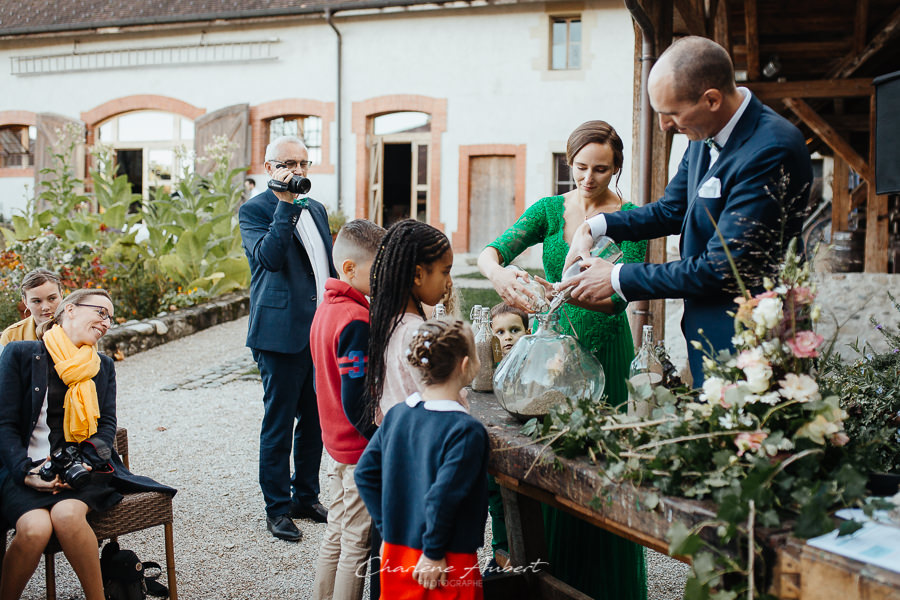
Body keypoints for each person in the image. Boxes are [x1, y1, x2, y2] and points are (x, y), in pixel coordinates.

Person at [564, 36, 813, 384]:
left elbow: (720, 268)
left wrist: (616, 277)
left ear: (711, 99)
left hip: (752, 340)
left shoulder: (771, 149)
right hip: (706, 332)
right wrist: (596, 226)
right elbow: (670, 210)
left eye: (671, 113)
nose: (665, 125)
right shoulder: (702, 134)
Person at [478, 120, 648, 599]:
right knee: (547, 461)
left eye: (601, 169)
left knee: (600, 470)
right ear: (568, 163)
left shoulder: (630, 217)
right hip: (550, 358)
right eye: (580, 167)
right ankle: (545, 576)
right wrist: (500, 276)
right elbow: (493, 250)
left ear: (616, 168)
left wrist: (570, 293)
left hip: (607, 356)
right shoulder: (550, 210)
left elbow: (620, 297)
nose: (588, 178)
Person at [0, 289, 175, 600]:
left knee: (67, 516)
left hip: (84, 468)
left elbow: (106, 428)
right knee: (35, 529)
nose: (106, 322)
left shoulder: (102, 365)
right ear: (69, 310)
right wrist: (24, 472)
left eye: (110, 317)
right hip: (25, 469)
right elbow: (5, 424)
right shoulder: (20, 354)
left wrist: (88, 462)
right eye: (100, 312)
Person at [238, 135, 336, 542]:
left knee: (315, 422)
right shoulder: (254, 210)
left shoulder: (317, 208)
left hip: (320, 331)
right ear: (269, 168)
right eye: (289, 163)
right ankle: (276, 509)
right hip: (279, 335)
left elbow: (327, 268)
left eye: (304, 163)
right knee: (278, 424)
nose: (298, 171)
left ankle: (305, 496)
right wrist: (284, 203)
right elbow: (269, 258)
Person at [355, 319, 489, 599]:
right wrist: (432, 552)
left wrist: (387, 527)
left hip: (396, 550)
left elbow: (365, 473)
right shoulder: (466, 430)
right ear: (466, 365)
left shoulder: (397, 415)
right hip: (444, 559)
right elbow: (443, 496)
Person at [310, 219, 385, 600]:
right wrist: (382, 440)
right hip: (357, 448)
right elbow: (356, 399)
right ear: (350, 269)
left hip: (334, 443)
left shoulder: (327, 308)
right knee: (356, 540)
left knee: (337, 531)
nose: (383, 276)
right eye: (378, 268)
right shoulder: (355, 319)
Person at [364, 219, 454, 426]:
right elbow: (444, 402)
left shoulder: (387, 323)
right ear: (418, 274)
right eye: (445, 271)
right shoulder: (416, 334)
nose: (449, 282)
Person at [0, 268, 64, 346]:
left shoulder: (78, 329)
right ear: (25, 302)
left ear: (61, 295)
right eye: (37, 301)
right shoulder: (12, 336)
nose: (45, 307)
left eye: (52, 298)